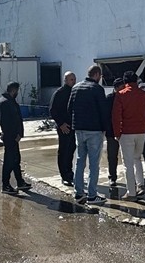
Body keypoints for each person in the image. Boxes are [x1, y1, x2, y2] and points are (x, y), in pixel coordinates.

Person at [67, 65, 106, 203]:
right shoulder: (97, 89)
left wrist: (74, 124)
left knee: (79, 161)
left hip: (79, 129)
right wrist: (105, 128)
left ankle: (78, 192)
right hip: (94, 130)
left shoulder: (76, 87)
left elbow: (69, 108)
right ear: (97, 75)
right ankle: (92, 195)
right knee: (94, 163)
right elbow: (103, 111)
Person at [113, 70, 145, 198]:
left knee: (128, 163)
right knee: (137, 158)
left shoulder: (120, 95)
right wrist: (144, 126)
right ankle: (140, 185)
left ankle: (131, 192)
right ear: (136, 81)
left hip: (126, 133)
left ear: (125, 82)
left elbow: (115, 116)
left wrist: (117, 133)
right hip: (141, 132)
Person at [0, 81, 31, 195]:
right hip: (10, 137)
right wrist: (14, 135)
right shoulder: (5, 103)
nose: (17, 93)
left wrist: (20, 133)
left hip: (14, 136)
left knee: (16, 159)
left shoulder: (10, 101)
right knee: (9, 161)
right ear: (13, 90)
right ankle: (5, 185)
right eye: (17, 91)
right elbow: (5, 123)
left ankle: (20, 182)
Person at [49, 71, 77, 186]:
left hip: (73, 126)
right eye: (71, 79)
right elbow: (52, 110)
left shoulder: (74, 92)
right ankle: (64, 175)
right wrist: (61, 124)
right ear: (65, 80)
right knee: (64, 151)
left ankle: (69, 173)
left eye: (74, 79)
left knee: (71, 149)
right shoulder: (59, 93)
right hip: (63, 127)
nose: (73, 81)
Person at [103, 78, 124, 189]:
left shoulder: (126, 97)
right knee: (112, 156)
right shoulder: (109, 99)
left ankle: (130, 178)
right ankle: (112, 177)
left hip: (125, 131)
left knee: (128, 156)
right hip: (111, 132)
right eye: (121, 88)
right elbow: (106, 116)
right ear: (116, 88)